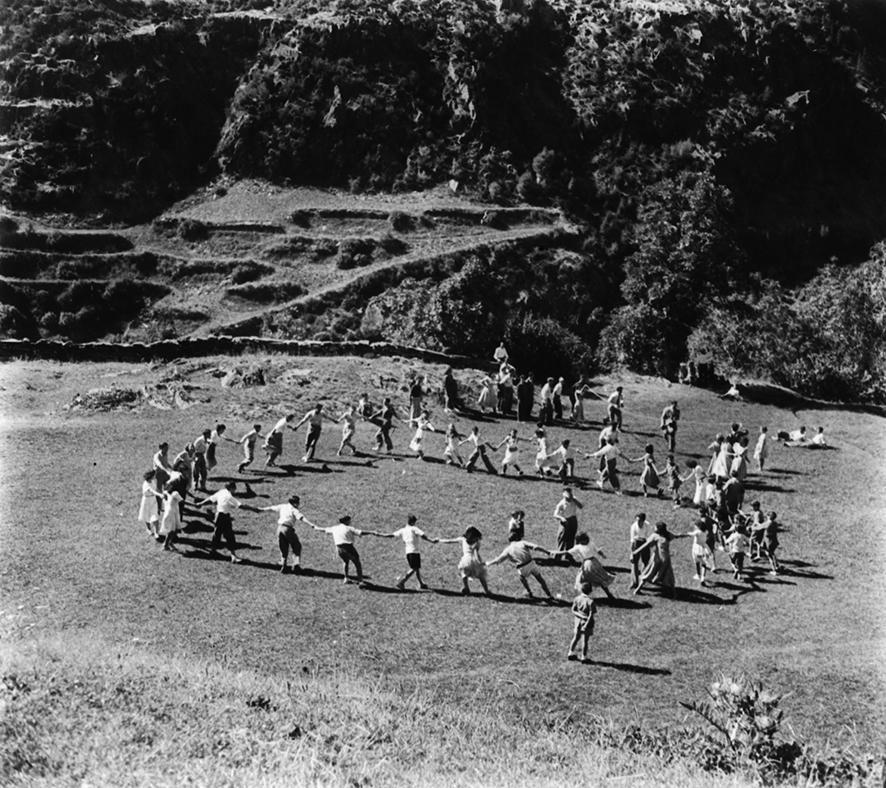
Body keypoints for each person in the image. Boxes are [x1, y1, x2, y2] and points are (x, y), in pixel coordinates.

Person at [310, 515, 382, 585]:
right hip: (348, 548)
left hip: (339, 549)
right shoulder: (349, 528)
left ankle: (346, 578)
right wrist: (371, 532)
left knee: (345, 561)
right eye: (349, 520)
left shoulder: (335, 528)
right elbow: (360, 532)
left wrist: (316, 527)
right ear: (345, 521)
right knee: (357, 563)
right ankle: (360, 581)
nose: (350, 522)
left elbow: (325, 529)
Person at [257, 494, 317, 573]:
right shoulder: (294, 510)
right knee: (296, 545)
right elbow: (301, 517)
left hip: (279, 528)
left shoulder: (283, 506)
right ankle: (296, 565)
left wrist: (261, 509)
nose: (299, 504)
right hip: (287, 529)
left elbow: (271, 508)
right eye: (298, 503)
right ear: (295, 503)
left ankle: (284, 565)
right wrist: (311, 524)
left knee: (283, 546)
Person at [485, 533, 554, 600]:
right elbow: (536, 547)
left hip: (522, 567)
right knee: (540, 579)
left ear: (509, 541)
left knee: (522, 578)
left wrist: (489, 563)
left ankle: (529, 591)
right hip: (531, 563)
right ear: (517, 538)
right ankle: (549, 595)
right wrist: (547, 552)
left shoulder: (508, 549)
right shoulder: (522, 543)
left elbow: (498, 559)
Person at [550, 532, 616, 599]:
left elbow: (567, 552)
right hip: (594, 562)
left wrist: (555, 552)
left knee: (581, 580)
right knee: (599, 578)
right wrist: (603, 555)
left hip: (588, 565)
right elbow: (598, 550)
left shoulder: (579, 547)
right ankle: (609, 594)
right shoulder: (590, 543)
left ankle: (583, 596)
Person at [378, 514, 436, 590]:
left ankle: (421, 584)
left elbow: (391, 535)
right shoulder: (414, 529)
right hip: (414, 551)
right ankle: (402, 582)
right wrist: (431, 540)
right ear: (413, 522)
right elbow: (423, 536)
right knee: (414, 568)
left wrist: (381, 535)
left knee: (416, 568)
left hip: (408, 552)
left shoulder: (403, 530)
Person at [632, 521, 689, 597]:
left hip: (662, 559)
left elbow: (676, 536)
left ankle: (674, 593)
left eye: (655, 527)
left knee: (661, 574)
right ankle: (638, 590)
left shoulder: (662, 535)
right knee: (653, 573)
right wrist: (636, 551)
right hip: (660, 558)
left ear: (659, 529)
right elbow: (647, 544)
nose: (654, 528)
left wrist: (685, 535)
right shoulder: (661, 535)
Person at [194, 481, 244, 563]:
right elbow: (240, 505)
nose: (235, 490)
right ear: (231, 488)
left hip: (219, 516)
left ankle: (213, 551)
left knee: (217, 534)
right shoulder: (228, 496)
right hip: (223, 517)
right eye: (234, 488)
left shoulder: (222, 492)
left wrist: (201, 503)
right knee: (229, 535)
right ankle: (233, 556)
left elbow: (211, 499)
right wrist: (255, 509)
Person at [437, 526, 491, 595]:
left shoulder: (463, 539)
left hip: (466, 560)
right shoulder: (477, 542)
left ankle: (466, 587)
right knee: (481, 575)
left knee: (464, 572)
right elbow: (476, 553)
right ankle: (487, 591)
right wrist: (480, 562)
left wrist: (439, 540)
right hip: (474, 560)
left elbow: (450, 541)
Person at [566, 582, 596, 664]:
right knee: (585, 641)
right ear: (590, 591)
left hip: (578, 622)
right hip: (587, 623)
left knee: (575, 637)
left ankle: (570, 653)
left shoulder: (577, 598)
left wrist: (580, 616)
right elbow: (590, 615)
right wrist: (586, 624)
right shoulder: (590, 602)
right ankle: (584, 657)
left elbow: (573, 610)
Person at [553, 487, 583, 559]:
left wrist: (575, 500)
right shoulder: (561, 503)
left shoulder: (574, 500)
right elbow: (555, 514)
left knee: (571, 539)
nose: (569, 499)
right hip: (565, 522)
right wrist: (561, 518)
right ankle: (557, 557)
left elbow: (581, 506)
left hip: (573, 520)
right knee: (562, 539)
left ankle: (569, 556)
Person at [686, 518, 714, 585]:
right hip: (703, 548)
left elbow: (691, 534)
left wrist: (685, 534)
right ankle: (702, 578)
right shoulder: (706, 532)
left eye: (695, 525)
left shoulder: (697, 532)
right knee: (704, 563)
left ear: (698, 526)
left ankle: (698, 574)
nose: (694, 527)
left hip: (696, 549)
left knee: (697, 562)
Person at [158, 481, 184, 551]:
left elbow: (164, 497)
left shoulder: (166, 492)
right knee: (172, 530)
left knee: (173, 529)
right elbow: (182, 501)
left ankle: (169, 542)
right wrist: (195, 504)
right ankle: (165, 545)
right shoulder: (175, 493)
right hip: (172, 512)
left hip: (169, 511)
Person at [628, 513, 650, 590]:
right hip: (636, 544)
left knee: (646, 562)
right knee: (634, 563)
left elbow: (648, 537)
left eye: (639, 521)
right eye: (637, 520)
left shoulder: (647, 525)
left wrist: (644, 541)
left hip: (645, 543)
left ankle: (643, 580)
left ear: (643, 520)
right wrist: (632, 553)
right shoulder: (633, 526)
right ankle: (634, 582)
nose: (637, 522)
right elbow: (632, 541)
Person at [138, 470, 162, 539]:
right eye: (154, 475)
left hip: (153, 500)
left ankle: (156, 533)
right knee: (146, 515)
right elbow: (152, 491)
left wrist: (161, 493)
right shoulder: (146, 484)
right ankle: (148, 529)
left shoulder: (153, 481)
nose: (155, 476)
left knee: (155, 516)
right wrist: (159, 495)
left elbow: (155, 489)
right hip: (146, 501)